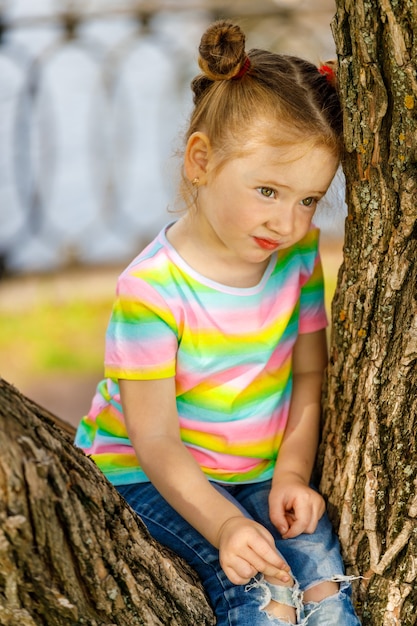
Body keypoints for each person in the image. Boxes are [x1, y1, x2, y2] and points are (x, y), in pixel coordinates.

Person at [75, 20, 361, 625]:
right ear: (201, 161)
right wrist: (227, 524)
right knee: (266, 600)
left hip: (258, 469)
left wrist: (290, 475)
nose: (287, 222)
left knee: (324, 593)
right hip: (152, 474)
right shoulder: (152, 292)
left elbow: (310, 372)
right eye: (267, 190)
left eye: (308, 200)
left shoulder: (296, 258)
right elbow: (155, 443)